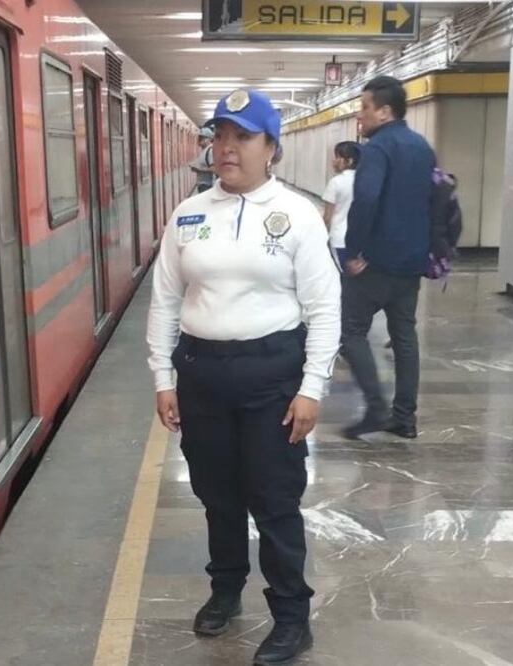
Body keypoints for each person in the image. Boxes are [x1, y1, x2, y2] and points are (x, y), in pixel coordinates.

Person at [147, 88, 340, 666]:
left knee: (274, 498)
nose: (226, 148)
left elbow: (326, 307)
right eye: (220, 136)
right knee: (217, 494)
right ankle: (225, 590)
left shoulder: (297, 216)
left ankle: (290, 616)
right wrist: (163, 375)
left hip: (272, 374)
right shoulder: (189, 214)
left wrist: (312, 388)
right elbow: (164, 300)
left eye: (242, 137)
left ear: (271, 148)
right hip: (202, 372)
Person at [340, 75, 436, 441]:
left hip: (375, 262)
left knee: (350, 332)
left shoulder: (378, 148)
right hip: (412, 261)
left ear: (384, 111)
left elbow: (365, 199)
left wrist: (353, 251)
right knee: (404, 338)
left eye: (364, 108)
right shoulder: (422, 147)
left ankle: (377, 410)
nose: (359, 117)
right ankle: (405, 418)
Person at [322, 141, 359, 265]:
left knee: (339, 276)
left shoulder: (336, 182)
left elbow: (327, 217)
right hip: (359, 240)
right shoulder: (364, 180)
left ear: (349, 161)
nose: (334, 161)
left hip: (339, 239)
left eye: (338, 157)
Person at [188, 126, 215, 193]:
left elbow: (214, 169)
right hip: (202, 184)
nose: (199, 140)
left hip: (207, 185)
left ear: (208, 139)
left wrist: (199, 169)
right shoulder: (204, 150)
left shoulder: (210, 150)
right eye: (199, 138)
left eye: (201, 138)